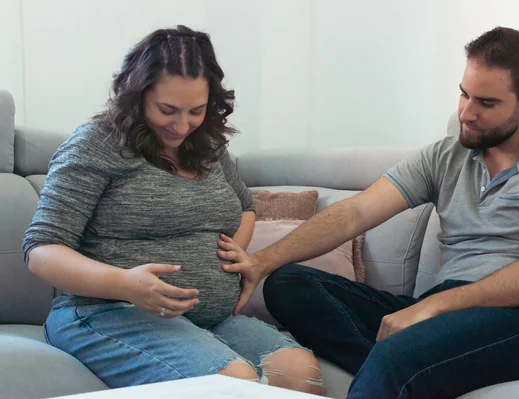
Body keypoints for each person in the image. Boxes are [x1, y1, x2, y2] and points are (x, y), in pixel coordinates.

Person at [217, 26, 519, 398]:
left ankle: (404, 367)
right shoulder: (445, 155)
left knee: (400, 354)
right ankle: (415, 373)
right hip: (450, 312)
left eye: (486, 103)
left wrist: (430, 308)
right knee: (289, 285)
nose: (467, 113)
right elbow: (356, 212)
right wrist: (263, 260)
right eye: (464, 95)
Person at [23, 25, 323, 394]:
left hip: (210, 319)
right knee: (233, 384)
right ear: (137, 95)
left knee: (299, 372)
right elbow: (42, 250)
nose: (182, 125)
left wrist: (236, 254)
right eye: (168, 110)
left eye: (196, 110)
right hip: (108, 311)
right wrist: (126, 284)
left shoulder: (208, 144)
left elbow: (245, 207)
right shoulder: (97, 143)